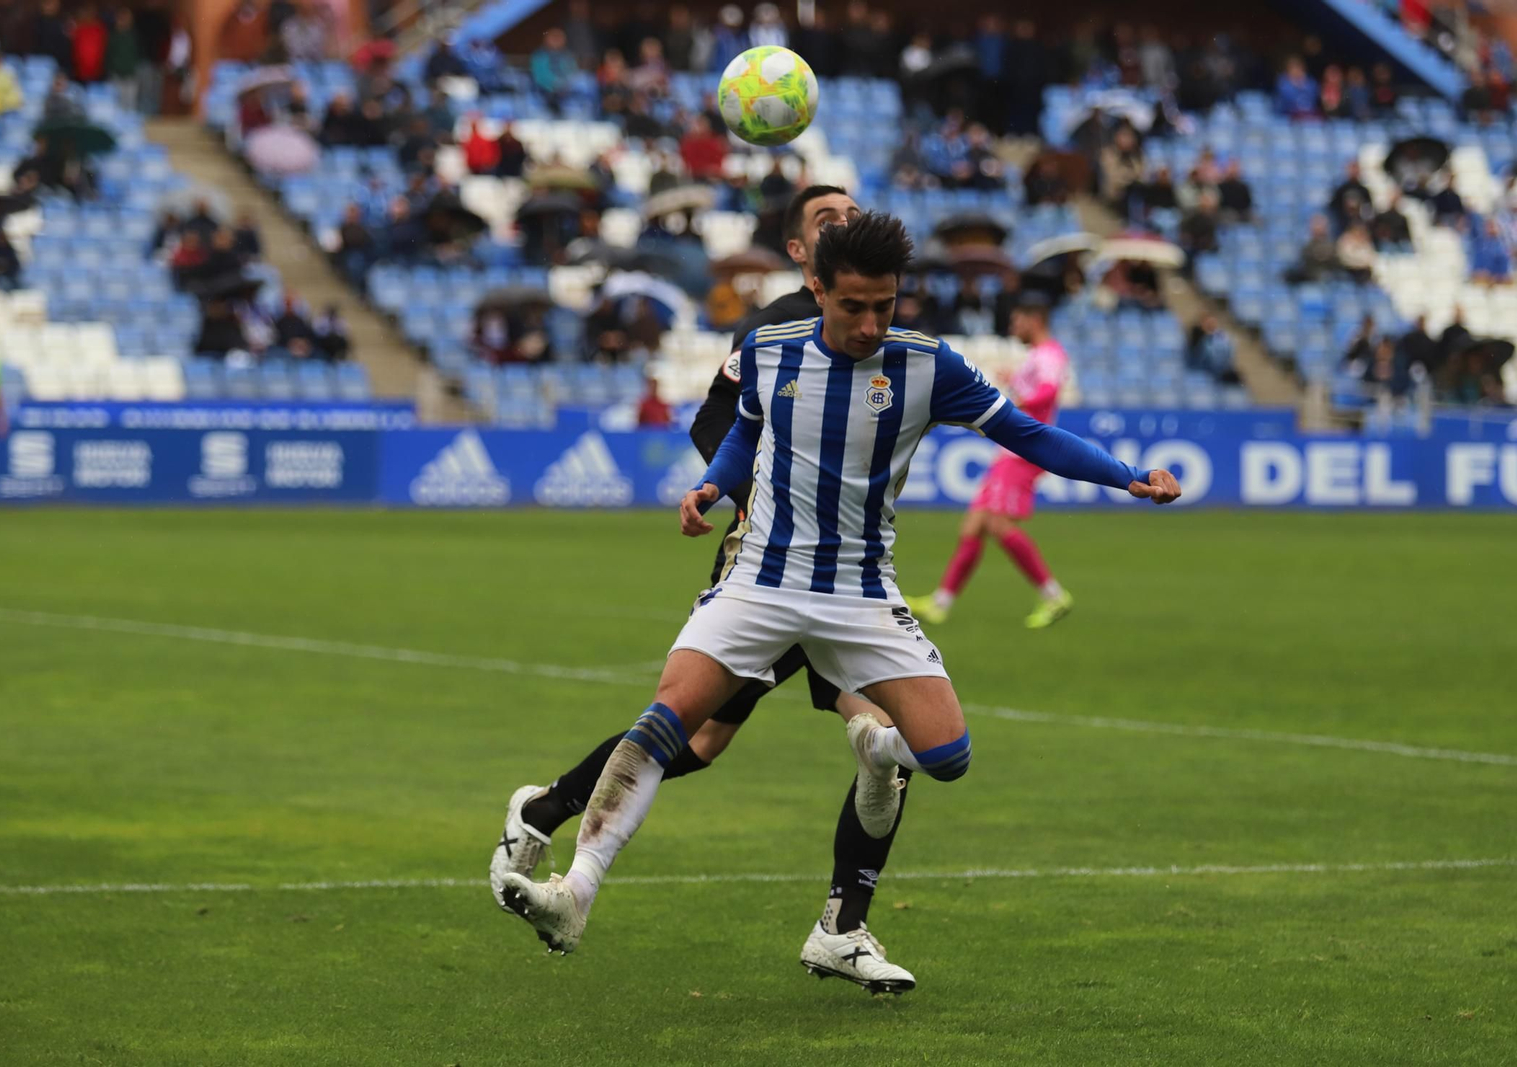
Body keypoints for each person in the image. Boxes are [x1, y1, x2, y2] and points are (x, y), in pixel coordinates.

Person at [493, 212, 1181, 961]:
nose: (870, 323)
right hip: (762, 579)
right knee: (670, 719)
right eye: (853, 306)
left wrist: (1127, 476)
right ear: (817, 290)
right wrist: (711, 485)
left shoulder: (928, 365)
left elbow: (1029, 433)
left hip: (860, 591)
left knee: (948, 755)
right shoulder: (770, 348)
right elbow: (745, 429)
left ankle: (879, 752)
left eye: (884, 305)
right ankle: (575, 891)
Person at [493, 187, 933, 994]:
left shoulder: (884, 334)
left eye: (850, 213)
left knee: (880, 736)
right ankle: (546, 812)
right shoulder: (773, 329)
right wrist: (738, 484)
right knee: (696, 737)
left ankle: (842, 927)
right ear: (799, 252)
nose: (842, 224)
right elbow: (720, 420)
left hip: (846, 579)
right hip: (767, 567)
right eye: (824, 219)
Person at [904, 295, 1075, 630]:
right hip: (1012, 450)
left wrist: (1015, 403)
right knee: (973, 526)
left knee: (998, 523)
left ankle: (1054, 595)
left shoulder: (1049, 354)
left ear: (1034, 320)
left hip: (1025, 451)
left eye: (1017, 320)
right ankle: (941, 603)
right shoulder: (1038, 356)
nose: (1013, 327)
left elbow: (1048, 392)